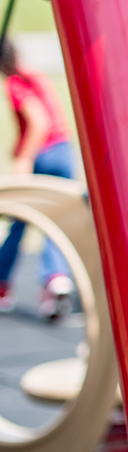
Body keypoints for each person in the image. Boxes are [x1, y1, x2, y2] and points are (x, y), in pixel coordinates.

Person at [0, 37, 76, 319]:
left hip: (43, 155)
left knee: (19, 220)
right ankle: (56, 279)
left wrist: (24, 159)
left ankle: (2, 284)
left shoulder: (15, 85)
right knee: (55, 221)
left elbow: (39, 121)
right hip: (64, 151)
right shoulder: (36, 76)